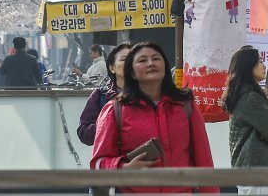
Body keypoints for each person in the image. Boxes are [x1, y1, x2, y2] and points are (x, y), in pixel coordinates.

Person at [89, 40, 215, 193]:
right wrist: (124, 167)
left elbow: (204, 161)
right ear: (132, 72)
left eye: (156, 58)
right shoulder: (114, 110)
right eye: (142, 60)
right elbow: (98, 163)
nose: (151, 63)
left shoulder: (186, 106)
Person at [223, 45, 268, 194]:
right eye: (259, 62)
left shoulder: (241, 94)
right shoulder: (250, 98)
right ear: (248, 66)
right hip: (256, 168)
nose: (264, 66)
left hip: (248, 168)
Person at [77, 42, 131, 145]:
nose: (130, 63)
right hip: (112, 159)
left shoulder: (149, 94)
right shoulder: (101, 95)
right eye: (124, 59)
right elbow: (84, 134)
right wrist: (106, 123)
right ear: (112, 68)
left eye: (134, 59)